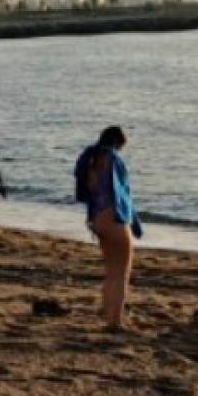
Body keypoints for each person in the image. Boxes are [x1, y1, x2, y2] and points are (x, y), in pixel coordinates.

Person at [75, 126, 142, 331]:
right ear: (116, 142)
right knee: (121, 273)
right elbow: (123, 195)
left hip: (97, 219)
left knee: (111, 271)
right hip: (114, 218)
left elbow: (87, 193)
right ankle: (116, 321)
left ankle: (108, 316)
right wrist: (135, 224)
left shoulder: (90, 159)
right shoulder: (113, 160)